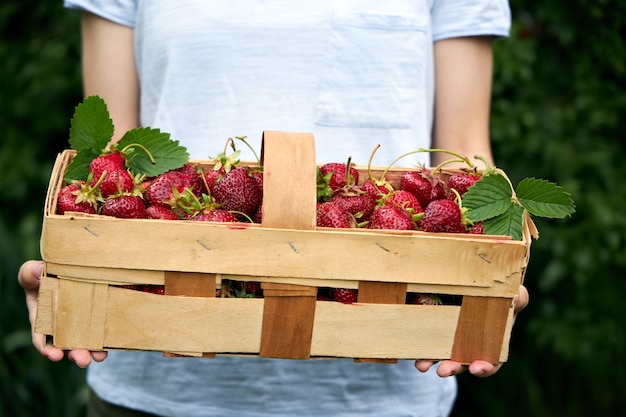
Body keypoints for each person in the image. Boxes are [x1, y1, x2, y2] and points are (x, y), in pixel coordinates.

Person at [19, 1, 530, 416]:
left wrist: (484, 273)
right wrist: (74, 271)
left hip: (385, 385)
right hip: (149, 364)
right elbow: (110, 157)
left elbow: (464, 156)